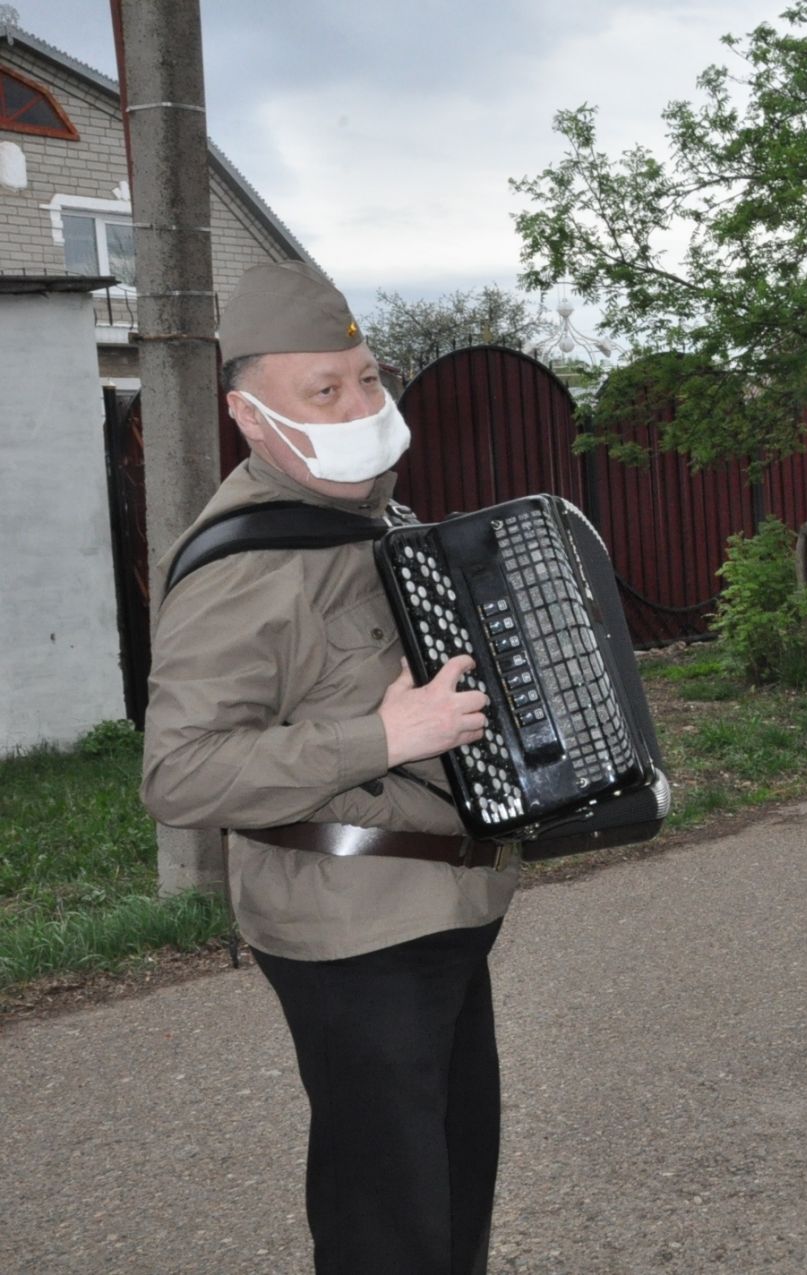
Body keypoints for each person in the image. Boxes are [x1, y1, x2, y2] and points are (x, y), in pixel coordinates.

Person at [142, 260, 518, 1274]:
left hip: (440, 908)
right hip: (351, 934)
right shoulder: (243, 568)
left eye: (368, 379)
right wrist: (384, 738)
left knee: (449, 1195)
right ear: (250, 416)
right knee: (387, 1226)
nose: (361, 404)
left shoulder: (375, 519)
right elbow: (179, 776)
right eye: (326, 390)